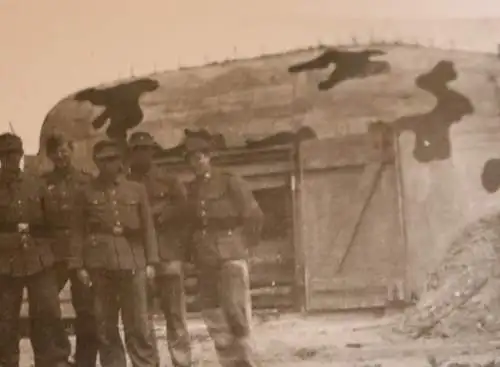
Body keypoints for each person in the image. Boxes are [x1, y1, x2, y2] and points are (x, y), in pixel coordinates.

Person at [69, 138, 159, 367]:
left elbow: (148, 227)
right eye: (104, 161)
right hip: (100, 265)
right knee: (105, 326)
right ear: (97, 164)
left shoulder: (136, 189)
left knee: (138, 324)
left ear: (120, 162)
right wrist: (78, 265)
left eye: (113, 160)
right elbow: (77, 230)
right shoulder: (85, 193)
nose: (110, 165)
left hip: (133, 262)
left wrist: (151, 261)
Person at [183, 135, 264, 367]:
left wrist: (244, 245)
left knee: (236, 312)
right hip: (204, 257)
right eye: (191, 159)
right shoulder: (191, 189)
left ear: (209, 157)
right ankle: (229, 363)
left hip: (231, 254)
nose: (196, 163)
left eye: (199, 157)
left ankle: (247, 363)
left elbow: (254, 215)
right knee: (213, 313)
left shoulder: (229, 181)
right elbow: (191, 224)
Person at [0, 133, 71, 367]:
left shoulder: (35, 183)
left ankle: (53, 360)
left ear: (21, 155)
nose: (11, 159)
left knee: (47, 311)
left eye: (15, 154)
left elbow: (52, 222)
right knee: (5, 318)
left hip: (39, 258)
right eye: (5, 155)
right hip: (4, 261)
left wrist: (53, 254)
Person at [127, 132, 192, 367]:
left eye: (146, 148)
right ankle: (148, 363)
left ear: (153, 151)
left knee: (175, 315)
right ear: (130, 153)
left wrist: (161, 216)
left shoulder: (169, 181)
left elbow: (186, 213)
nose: (142, 153)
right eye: (137, 149)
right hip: (138, 258)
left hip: (168, 257)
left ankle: (181, 362)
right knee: (142, 319)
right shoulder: (125, 185)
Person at [37, 133, 98, 366]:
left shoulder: (87, 181)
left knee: (87, 309)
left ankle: (85, 360)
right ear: (50, 156)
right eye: (55, 152)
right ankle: (59, 356)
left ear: (71, 150)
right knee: (47, 305)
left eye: (64, 150)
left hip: (81, 252)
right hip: (53, 253)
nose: (61, 156)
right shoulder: (42, 183)